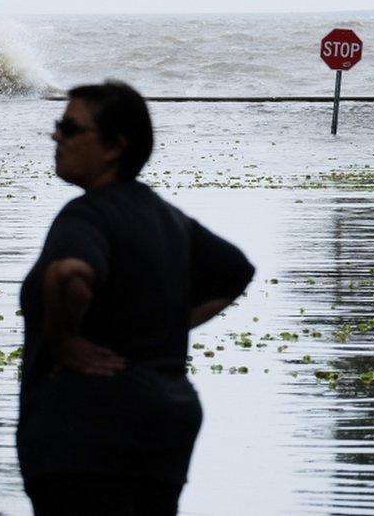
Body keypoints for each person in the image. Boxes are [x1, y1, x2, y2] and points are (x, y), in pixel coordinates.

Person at [17, 81, 255, 516]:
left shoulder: (86, 214)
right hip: (163, 433)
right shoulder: (169, 218)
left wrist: (63, 341)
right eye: (58, 125)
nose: (56, 136)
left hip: (84, 436)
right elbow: (236, 271)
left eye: (70, 128)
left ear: (113, 147)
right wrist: (165, 323)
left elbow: (69, 273)